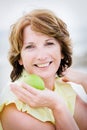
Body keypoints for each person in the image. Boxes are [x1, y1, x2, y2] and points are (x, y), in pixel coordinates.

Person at [0, 9, 87, 130]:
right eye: (30, 46)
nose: (42, 56)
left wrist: (85, 80)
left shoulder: (63, 89)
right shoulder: (15, 104)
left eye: (49, 43)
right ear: (19, 57)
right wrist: (58, 106)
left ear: (62, 51)